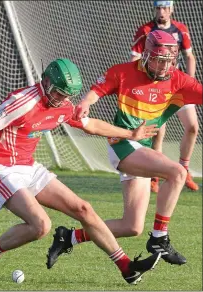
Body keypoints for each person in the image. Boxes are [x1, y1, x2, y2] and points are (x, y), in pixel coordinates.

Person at [0, 58, 161, 285]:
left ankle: (127, 268)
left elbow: (91, 125)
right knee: (41, 225)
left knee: (84, 209)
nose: (63, 100)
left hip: (28, 166)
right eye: (58, 93)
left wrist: (131, 134)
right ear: (45, 82)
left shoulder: (63, 105)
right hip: (1, 167)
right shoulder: (22, 101)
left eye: (67, 95)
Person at [46, 31, 202, 271]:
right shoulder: (123, 71)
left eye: (168, 61)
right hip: (122, 144)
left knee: (132, 227)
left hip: (143, 150)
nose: (163, 66)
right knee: (177, 172)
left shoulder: (178, 80)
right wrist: (86, 102)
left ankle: (69, 236)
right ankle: (160, 237)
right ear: (146, 56)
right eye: (158, 59)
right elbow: (97, 91)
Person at [129, 0, 199, 193]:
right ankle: (155, 176)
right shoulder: (144, 30)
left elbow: (190, 56)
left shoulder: (180, 29)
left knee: (193, 127)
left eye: (165, 8)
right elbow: (134, 59)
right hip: (155, 87)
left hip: (176, 84)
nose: (161, 12)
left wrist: (189, 83)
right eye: (158, 8)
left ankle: (184, 169)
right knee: (158, 131)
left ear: (171, 9)